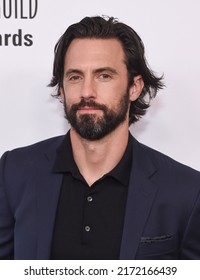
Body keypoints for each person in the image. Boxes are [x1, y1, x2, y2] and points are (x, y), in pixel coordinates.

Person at [0, 16, 200, 260]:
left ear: (134, 87)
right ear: (61, 88)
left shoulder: (186, 191)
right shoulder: (14, 172)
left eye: (103, 75)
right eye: (75, 77)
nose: (87, 92)